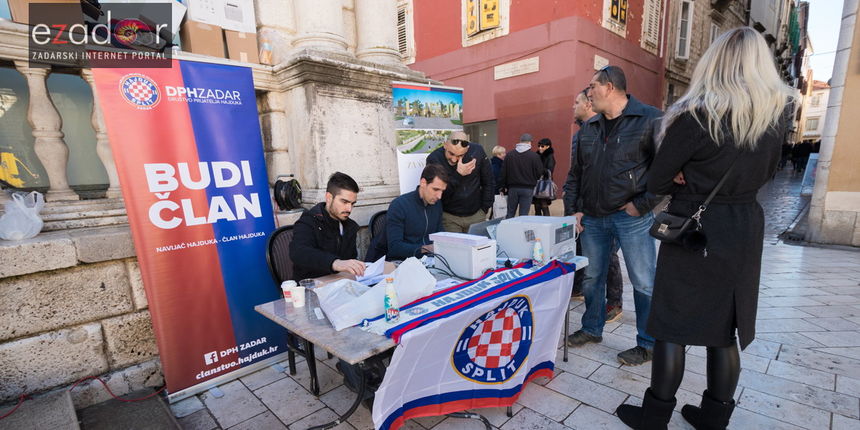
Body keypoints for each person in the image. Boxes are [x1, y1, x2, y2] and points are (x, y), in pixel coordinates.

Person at [615, 27, 795, 430]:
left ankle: (654, 416)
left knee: (671, 326)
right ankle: (714, 417)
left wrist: (682, 173)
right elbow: (766, 174)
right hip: (744, 226)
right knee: (723, 328)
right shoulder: (772, 119)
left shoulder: (698, 116)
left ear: (713, 63)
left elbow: (657, 181)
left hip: (693, 227)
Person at [563, 65, 662, 366]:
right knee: (592, 278)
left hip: (632, 217)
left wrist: (643, 204)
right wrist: (574, 210)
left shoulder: (650, 119)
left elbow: (668, 172)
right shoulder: (589, 130)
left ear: (608, 87)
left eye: (592, 86)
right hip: (592, 218)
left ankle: (648, 343)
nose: (588, 92)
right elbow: (576, 174)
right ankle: (592, 329)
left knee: (644, 281)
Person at [564, 88, 624, 323]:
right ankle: (578, 287)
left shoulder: (605, 131)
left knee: (608, 256)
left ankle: (615, 302)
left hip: (607, 209)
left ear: (589, 105)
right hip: (584, 206)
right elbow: (577, 172)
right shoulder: (581, 133)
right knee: (580, 249)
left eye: (576, 102)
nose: (574, 107)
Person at [290, 172, 365, 280]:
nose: (349, 209)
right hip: (312, 288)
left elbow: (350, 260)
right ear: (329, 197)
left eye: (352, 204)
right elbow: (298, 252)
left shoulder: (350, 226)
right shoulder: (308, 221)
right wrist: (335, 263)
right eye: (344, 202)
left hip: (342, 285)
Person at [426, 131, 494, 232]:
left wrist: (485, 207)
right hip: (449, 217)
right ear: (445, 145)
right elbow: (439, 194)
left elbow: (489, 181)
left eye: (459, 156)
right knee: (455, 248)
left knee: (478, 247)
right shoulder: (434, 159)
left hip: (476, 214)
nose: (454, 159)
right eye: (451, 153)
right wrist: (458, 175)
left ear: (467, 149)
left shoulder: (477, 151)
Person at [386, 164, 447, 260]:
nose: (439, 196)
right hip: (402, 262)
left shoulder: (437, 204)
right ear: (423, 183)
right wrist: (426, 249)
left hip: (429, 260)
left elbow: (440, 235)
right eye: (435, 189)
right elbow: (394, 247)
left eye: (442, 191)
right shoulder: (399, 205)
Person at [500, 133, 543, 218]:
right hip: (528, 189)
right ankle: (520, 231)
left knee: (510, 214)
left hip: (512, 188)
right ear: (529, 142)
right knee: (523, 216)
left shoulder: (509, 155)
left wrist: (503, 186)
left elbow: (503, 172)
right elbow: (539, 172)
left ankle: (508, 230)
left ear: (520, 142)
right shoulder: (534, 156)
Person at [532, 138, 556, 216]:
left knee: (544, 205)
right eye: (539, 146)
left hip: (544, 185)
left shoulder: (550, 156)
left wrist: (539, 169)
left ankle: (547, 223)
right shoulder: (537, 155)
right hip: (536, 184)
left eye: (542, 146)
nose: (540, 148)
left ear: (548, 146)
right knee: (537, 206)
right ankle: (538, 225)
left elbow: (549, 170)